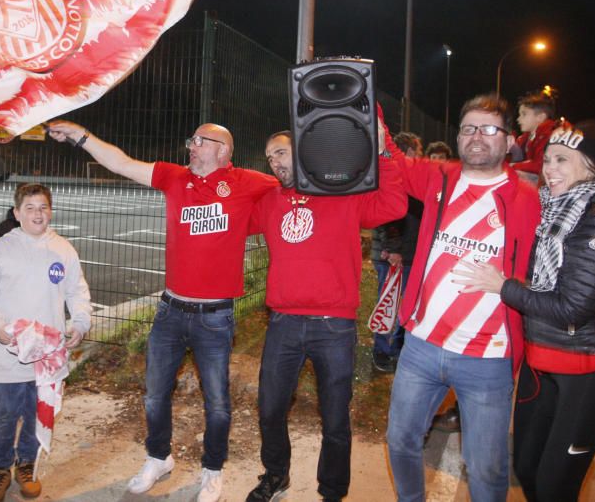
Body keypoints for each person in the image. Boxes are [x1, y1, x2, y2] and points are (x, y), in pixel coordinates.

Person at [384, 95, 595, 502]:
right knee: (400, 442)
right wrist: (367, 107)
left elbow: (573, 263)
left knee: (487, 468)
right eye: (469, 128)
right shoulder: (438, 178)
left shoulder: (533, 199)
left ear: (507, 141)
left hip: (489, 359)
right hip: (421, 346)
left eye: (489, 129)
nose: (477, 137)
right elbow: (388, 157)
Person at [47, 120, 276, 502]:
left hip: (215, 316)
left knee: (217, 402)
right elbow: (121, 163)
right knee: (154, 395)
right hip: (170, 312)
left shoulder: (247, 182)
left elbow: (293, 185)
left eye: (200, 141)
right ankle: (158, 457)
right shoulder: (174, 177)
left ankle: (212, 470)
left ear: (223, 149)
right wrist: (81, 136)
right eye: (192, 140)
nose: (192, 146)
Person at [453, 121, 595, 501]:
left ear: (591, 167)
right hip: (539, 363)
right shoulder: (550, 209)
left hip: (585, 371)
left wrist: (503, 287)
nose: (550, 169)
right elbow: (582, 285)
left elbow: (572, 307)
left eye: (562, 160)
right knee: (527, 470)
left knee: (555, 487)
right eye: (548, 160)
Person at [245, 126, 406, 502]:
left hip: (334, 325)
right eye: (269, 157)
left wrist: (384, 154)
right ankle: (276, 474)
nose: (275, 162)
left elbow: (395, 205)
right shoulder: (269, 200)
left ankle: (332, 490)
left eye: (281, 153)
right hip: (284, 321)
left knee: (335, 419)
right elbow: (233, 217)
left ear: (303, 152)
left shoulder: (342, 195)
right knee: (270, 408)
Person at [0, 183, 92, 502]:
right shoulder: (1, 249)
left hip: (47, 357)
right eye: (30, 208)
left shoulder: (63, 250)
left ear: (51, 211)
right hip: (9, 353)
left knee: (38, 413)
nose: (37, 214)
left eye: (43, 207)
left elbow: (77, 292)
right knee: (6, 414)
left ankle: (26, 464)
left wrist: (80, 322)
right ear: (17, 213)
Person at [371, 132, 423, 374]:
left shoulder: (413, 178)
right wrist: (392, 249)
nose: (420, 157)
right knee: (388, 304)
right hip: (393, 256)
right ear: (410, 151)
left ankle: (397, 350)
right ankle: (381, 351)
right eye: (419, 151)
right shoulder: (392, 173)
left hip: (410, 254)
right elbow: (387, 215)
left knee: (407, 306)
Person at [512, 91, 560, 182]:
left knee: (513, 175)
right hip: (539, 178)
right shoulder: (526, 137)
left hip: (548, 180)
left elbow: (540, 165)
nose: (518, 119)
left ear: (540, 117)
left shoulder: (549, 136)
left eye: (524, 114)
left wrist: (512, 166)